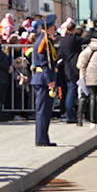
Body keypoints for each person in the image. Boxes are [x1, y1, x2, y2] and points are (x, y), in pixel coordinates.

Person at [29, 16, 59, 147]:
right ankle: (41, 139)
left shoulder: (46, 40)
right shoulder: (43, 42)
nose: (55, 29)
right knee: (42, 111)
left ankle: (44, 138)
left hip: (43, 79)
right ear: (49, 28)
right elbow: (44, 63)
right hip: (43, 80)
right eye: (53, 27)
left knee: (46, 111)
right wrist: (49, 81)